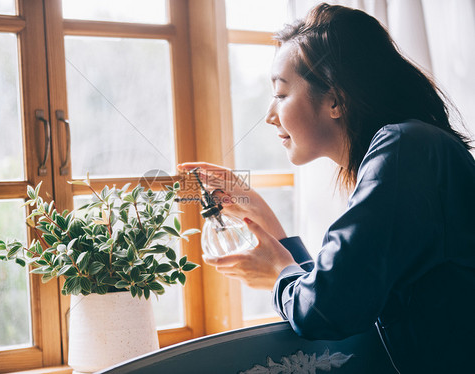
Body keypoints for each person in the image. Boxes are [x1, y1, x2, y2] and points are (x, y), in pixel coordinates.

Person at [177, 3, 475, 373]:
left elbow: (327, 310)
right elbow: (347, 292)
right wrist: (269, 227)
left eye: (282, 94)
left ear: (335, 99)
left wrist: (277, 273)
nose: (270, 115)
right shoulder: (412, 147)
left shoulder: (404, 147)